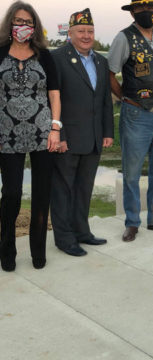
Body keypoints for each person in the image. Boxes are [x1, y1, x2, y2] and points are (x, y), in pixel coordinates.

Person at [108, 0, 153, 242]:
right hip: (136, 114)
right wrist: (126, 99)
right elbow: (111, 74)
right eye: (140, 9)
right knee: (131, 172)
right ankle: (132, 222)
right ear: (132, 12)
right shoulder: (123, 38)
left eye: (150, 8)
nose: (146, 12)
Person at [0, 1, 61, 271]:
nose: (22, 26)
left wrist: (55, 128)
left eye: (27, 22)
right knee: (11, 194)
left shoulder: (44, 55)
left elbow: (54, 94)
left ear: (34, 26)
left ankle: (38, 252)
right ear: (9, 23)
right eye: (18, 21)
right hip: (6, 134)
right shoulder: (0, 52)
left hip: (42, 133)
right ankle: (7, 251)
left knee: (41, 193)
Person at [50, 8, 114, 256]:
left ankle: (82, 232)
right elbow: (52, 100)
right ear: (70, 32)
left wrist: (107, 131)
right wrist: (60, 135)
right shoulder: (57, 58)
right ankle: (64, 239)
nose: (86, 36)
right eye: (81, 31)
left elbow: (105, 101)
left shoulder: (101, 60)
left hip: (94, 138)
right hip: (68, 139)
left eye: (90, 31)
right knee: (63, 190)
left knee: (84, 188)